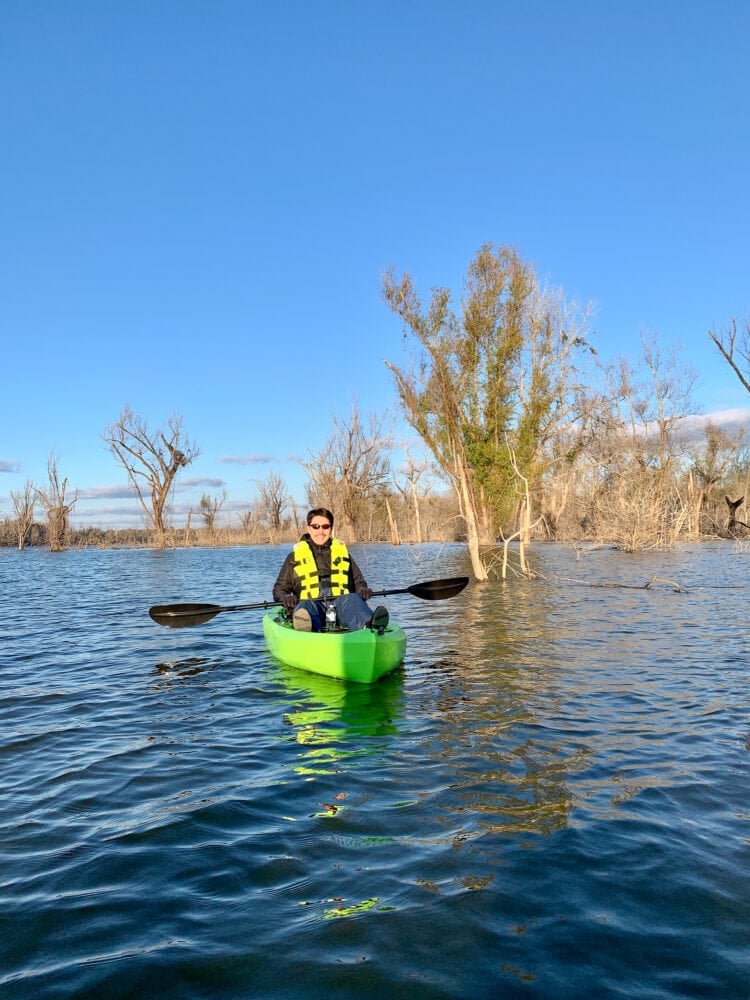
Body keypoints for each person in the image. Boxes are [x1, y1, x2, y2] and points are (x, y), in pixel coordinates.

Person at [272, 508, 389, 632]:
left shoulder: (343, 554)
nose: (320, 531)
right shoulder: (294, 557)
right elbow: (279, 589)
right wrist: (285, 597)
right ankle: (306, 627)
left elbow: (358, 582)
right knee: (305, 606)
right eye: (316, 526)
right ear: (309, 528)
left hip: (341, 606)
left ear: (331, 529)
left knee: (353, 599)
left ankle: (368, 625)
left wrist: (363, 590)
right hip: (312, 606)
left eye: (325, 526)